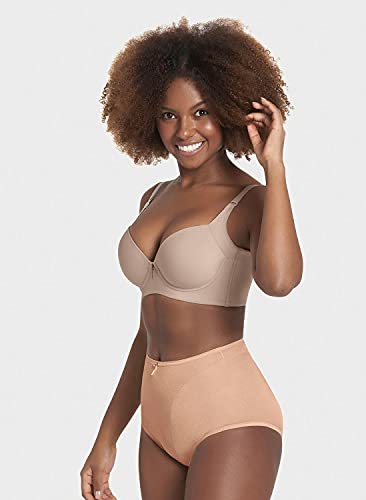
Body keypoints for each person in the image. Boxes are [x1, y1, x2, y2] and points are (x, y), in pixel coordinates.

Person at [80, 16, 303, 500]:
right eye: (168, 114)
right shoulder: (153, 197)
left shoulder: (251, 201)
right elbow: (148, 330)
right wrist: (107, 437)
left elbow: (281, 282)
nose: (185, 130)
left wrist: (275, 167)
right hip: (157, 420)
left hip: (230, 415)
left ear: (227, 109)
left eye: (201, 111)